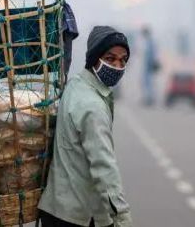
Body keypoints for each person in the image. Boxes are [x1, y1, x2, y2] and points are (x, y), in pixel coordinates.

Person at [38, 26, 133, 227]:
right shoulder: (92, 107)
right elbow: (104, 166)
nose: (117, 65)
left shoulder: (76, 85)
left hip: (55, 209)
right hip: (75, 217)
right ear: (94, 59)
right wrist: (122, 217)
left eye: (123, 60)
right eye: (110, 59)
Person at [141, 26, 159, 107]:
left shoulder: (150, 42)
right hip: (147, 66)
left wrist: (153, 64)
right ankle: (149, 98)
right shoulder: (149, 41)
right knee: (147, 82)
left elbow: (153, 55)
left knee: (149, 83)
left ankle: (150, 99)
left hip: (149, 66)